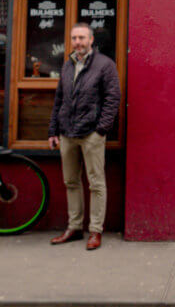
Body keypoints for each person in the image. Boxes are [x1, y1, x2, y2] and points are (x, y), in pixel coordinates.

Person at [47, 23, 120, 250]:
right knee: (71, 181)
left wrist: (101, 130)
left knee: (96, 183)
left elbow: (112, 98)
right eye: (74, 38)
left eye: (82, 38)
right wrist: (53, 130)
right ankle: (75, 227)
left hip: (91, 134)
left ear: (91, 40)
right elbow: (59, 98)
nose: (78, 42)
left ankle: (95, 230)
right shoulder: (68, 64)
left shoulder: (105, 65)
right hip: (67, 132)